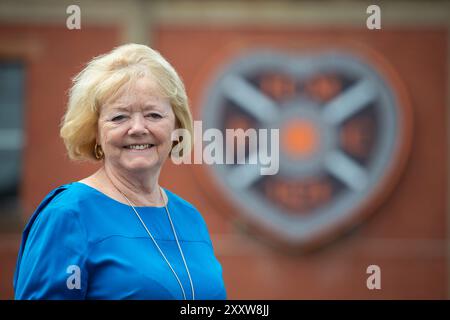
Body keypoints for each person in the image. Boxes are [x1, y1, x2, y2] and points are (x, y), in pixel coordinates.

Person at [13, 43, 227, 300]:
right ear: (94, 132)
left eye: (154, 115)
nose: (138, 128)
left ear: (176, 127)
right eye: (119, 117)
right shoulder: (68, 215)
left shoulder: (190, 218)